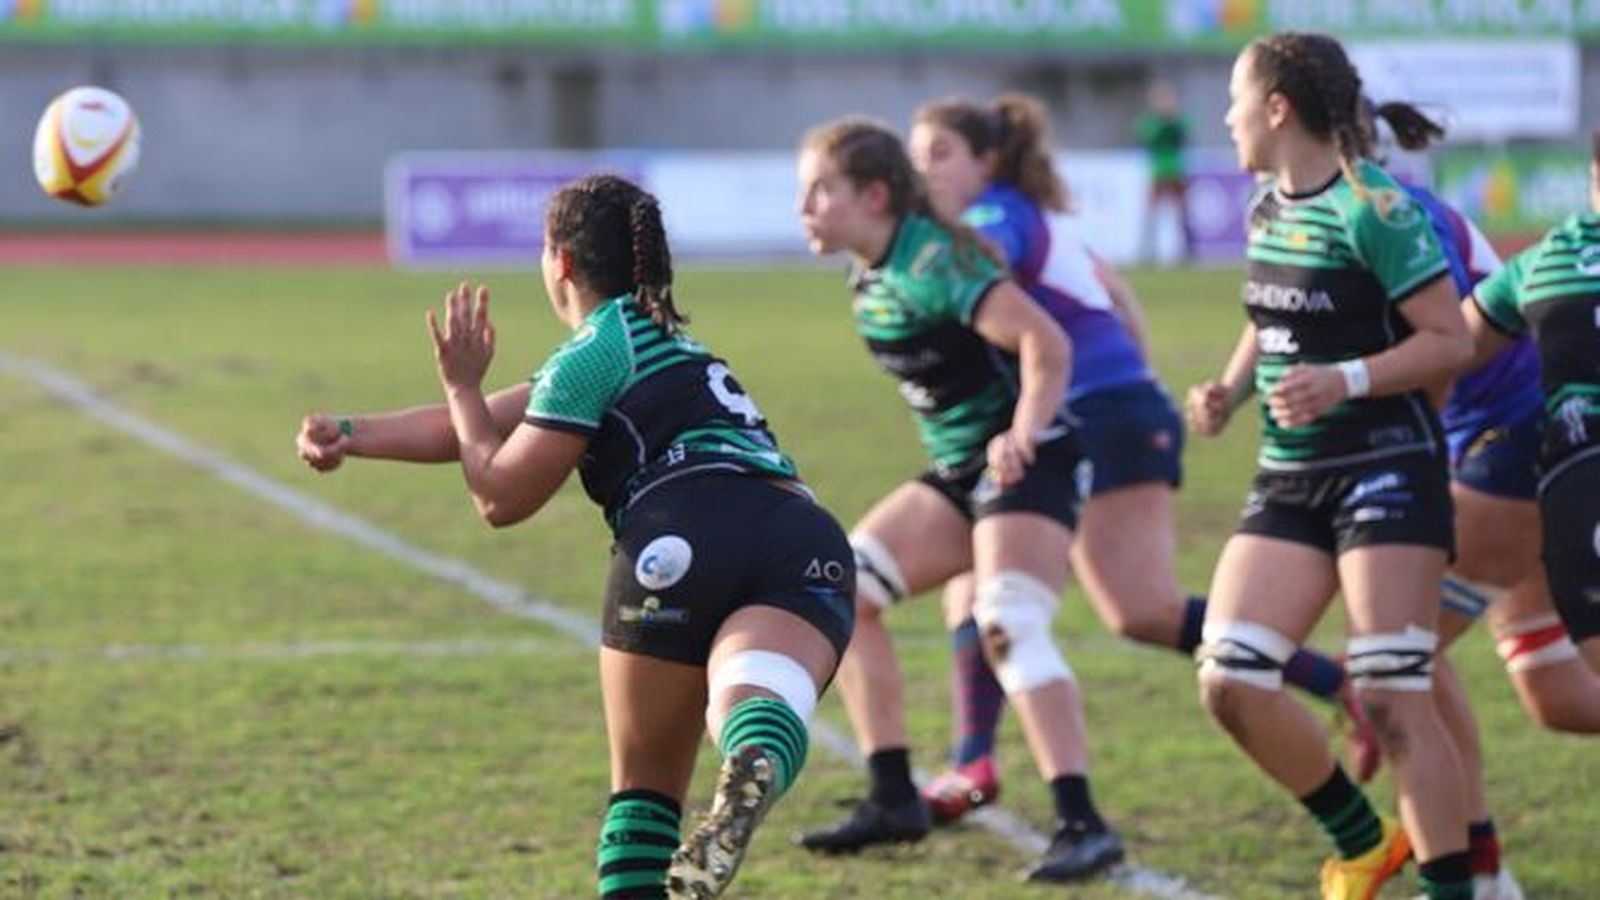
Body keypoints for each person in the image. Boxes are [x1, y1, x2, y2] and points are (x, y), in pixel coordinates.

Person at [293, 174, 856, 900]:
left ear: (559, 262)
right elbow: (486, 428)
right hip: (798, 533)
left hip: (677, 538)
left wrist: (463, 383)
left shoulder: (594, 350)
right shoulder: (669, 349)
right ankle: (751, 759)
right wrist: (350, 432)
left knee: (646, 797)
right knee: (753, 696)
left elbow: (499, 493)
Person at [905, 93, 1355, 824]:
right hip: (1097, 410)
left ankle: (1340, 685)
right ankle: (973, 762)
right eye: (915, 156)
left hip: (1097, 415)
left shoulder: (992, 220)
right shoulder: (1026, 208)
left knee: (1140, 609)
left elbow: (980, 276)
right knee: (978, 578)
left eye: (937, 155)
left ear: (984, 161)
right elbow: (1116, 295)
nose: (920, 170)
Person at [791, 116, 1124, 882]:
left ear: (874, 195)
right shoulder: (870, 269)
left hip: (1029, 459)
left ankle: (1083, 821)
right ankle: (892, 795)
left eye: (819, 191)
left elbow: (1047, 343)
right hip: (961, 470)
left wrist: (1024, 431)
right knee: (841, 589)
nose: (805, 207)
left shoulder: (934, 259)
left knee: (1008, 621)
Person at [1187, 32, 1474, 899]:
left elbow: (1451, 340)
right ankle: (1365, 840)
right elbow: (1271, 316)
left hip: (1386, 467)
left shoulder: (1375, 208)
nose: (1226, 117)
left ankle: (1451, 888)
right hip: (1290, 474)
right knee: (1230, 680)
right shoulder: (1269, 206)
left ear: (1276, 109)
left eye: (1236, 99)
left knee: (1392, 699)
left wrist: (1344, 380)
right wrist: (1232, 390)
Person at [1462, 132, 1600, 679]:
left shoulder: (1546, 261)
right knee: (1562, 690)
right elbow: (1451, 348)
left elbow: (1449, 347)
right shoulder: (1546, 263)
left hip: (1574, 476)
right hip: (1573, 482)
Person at [1137, 79, 1193, 265]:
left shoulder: (1178, 121)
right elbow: (1146, 137)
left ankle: (1187, 251)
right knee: (1153, 214)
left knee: (1181, 213)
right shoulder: (1152, 122)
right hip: (1158, 172)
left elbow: (1185, 133)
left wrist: (1171, 119)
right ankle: (1148, 252)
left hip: (1176, 170)